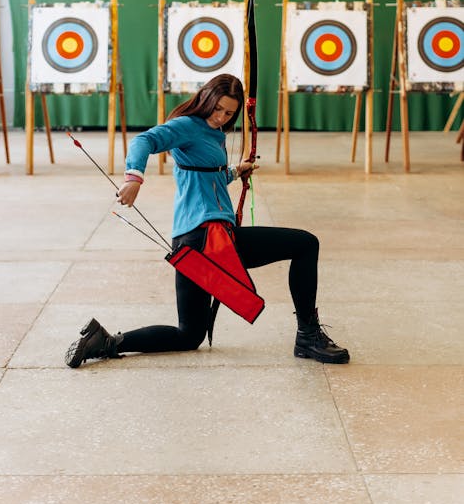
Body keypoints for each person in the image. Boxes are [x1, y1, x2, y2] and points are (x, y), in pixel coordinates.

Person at [65, 73, 349, 368]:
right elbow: (144, 140)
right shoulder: (188, 126)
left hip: (188, 242)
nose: (221, 117)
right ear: (206, 99)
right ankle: (308, 335)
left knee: (189, 334)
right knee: (305, 244)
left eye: (229, 113)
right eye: (218, 108)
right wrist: (133, 178)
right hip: (209, 237)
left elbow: (207, 175)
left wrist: (236, 171)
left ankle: (106, 342)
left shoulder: (210, 134)